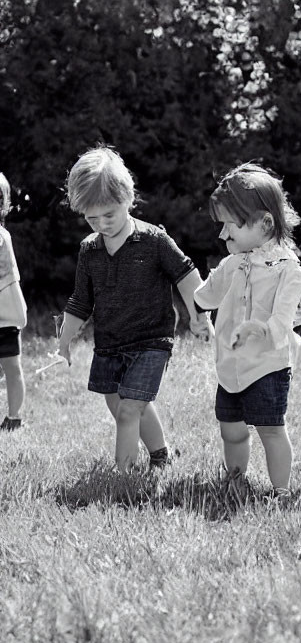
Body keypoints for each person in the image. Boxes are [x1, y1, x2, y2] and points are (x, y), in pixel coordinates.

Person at [58, 146, 211, 471]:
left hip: (151, 341)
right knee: (121, 404)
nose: (101, 223)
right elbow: (80, 302)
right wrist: (64, 341)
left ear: (127, 199)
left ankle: (122, 477)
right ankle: (161, 454)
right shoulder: (90, 250)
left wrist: (199, 316)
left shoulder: (153, 240)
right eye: (91, 217)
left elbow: (186, 275)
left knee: (129, 410)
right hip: (110, 343)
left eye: (108, 215)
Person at [194, 162, 301, 494]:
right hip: (230, 367)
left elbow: (289, 318)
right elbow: (205, 296)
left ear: (264, 223)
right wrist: (186, 293)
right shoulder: (231, 265)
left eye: (230, 225)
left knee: (271, 429)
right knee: (230, 429)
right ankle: (235, 479)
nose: (223, 234)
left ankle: (281, 490)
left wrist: (257, 329)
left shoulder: (286, 270)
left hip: (267, 368)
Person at [0, 173, 27, 431]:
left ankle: (15, 417)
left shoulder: (1, 236)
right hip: (6, 313)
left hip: (5, 316)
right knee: (11, 368)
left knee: (12, 368)